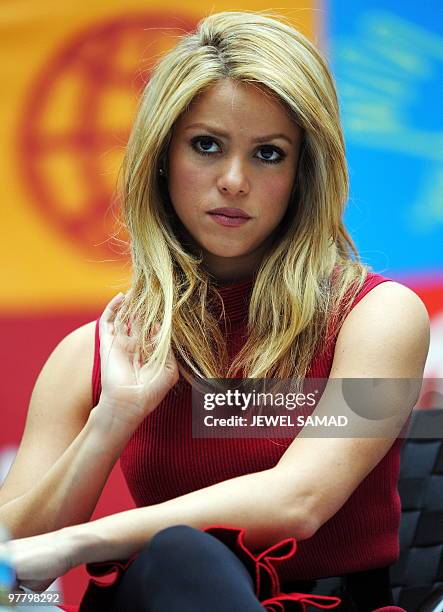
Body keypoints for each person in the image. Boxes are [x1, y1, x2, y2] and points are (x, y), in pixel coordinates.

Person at [0, 10, 429, 612]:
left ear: (304, 173)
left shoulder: (380, 318)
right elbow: (12, 550)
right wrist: (114, 418)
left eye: (269, 154)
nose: (233, 181)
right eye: (206, 146)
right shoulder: (94, 353)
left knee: (181, 549)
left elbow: (298, 503)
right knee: (179, 558)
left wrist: (82, 542)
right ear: (161, 159)